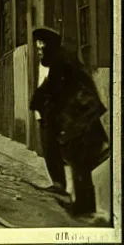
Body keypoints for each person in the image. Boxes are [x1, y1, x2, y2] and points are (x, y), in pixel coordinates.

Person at [30, 27, 109, 217]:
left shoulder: (61, 61)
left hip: (81, 118)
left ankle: (83, 207)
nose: (39, 48)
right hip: (80, 118)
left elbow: (56, 90)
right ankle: (83, 205)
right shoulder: (62, 59)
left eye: (42, 44)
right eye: (37, 44)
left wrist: (40, 102)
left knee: (80, 161)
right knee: (79, 162)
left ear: (49, 45)